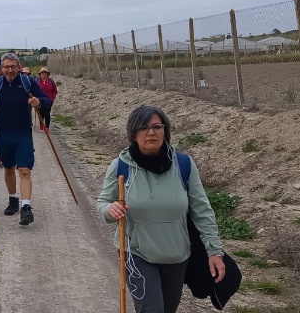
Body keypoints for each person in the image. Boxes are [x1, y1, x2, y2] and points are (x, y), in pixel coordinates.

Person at [96, 105, 228, 313]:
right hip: (136, 253)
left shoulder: (184, 165)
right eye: (143, 127)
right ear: (133, 134)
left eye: (157, 126)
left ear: (165, 131)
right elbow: (102, 202)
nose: (151, 132)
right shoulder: (121, 165)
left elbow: (202, 211)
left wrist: (214, 251)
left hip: (176, 255)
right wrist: (110, 209)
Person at [0, 53, 50, 226]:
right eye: (6, 67)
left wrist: (37, 102)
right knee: (9, 168)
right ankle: (13, 199)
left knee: (25, 170)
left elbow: (46, 100)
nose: (10, 70)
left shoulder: (27, 82)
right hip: (3, 133)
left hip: (23, 134)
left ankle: (26, 207)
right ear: (1, 68)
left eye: (13, 66)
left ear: (19, 67)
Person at [36, 67, 58, 133]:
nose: (43, 75)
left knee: (47, 113)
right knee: (40, 113)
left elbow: (55, 90)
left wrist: (52, 98)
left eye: (45, 73)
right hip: (40, 100)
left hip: (49, 100)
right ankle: (41, 126)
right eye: (42, 73)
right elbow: (34, 89)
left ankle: (47, 127)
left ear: (47, 74)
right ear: (40, 74)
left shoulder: (51, 81)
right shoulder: (37, 81)